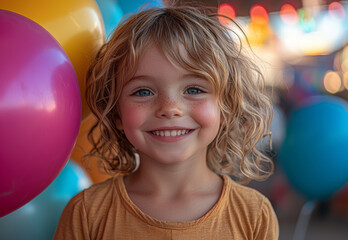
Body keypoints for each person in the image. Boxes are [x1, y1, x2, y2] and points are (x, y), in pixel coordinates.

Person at [54, 5, 279, 240]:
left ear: (226, 106)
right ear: (116, 113)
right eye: (143, 92)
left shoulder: (254, 214)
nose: (170, 108)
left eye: (193, 89)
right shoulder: (87, 213)